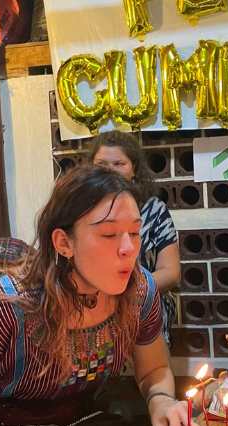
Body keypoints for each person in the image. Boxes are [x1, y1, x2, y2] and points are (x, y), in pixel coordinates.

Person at [0, 165, 201, 426]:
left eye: (134, 232)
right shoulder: (4, 308)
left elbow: (154, 370)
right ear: (64, 243)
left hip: (79, 425)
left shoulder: (138, 291)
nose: (129, 249)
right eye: (109, 234)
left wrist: (161, 401)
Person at [86, 131, 181, 345]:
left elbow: (172, 273)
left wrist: (126, 293)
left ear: (133, 169)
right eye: (101, 164)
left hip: (143, 297)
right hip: (93, 299)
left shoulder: (154, 210)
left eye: (119, 164)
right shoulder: (81, 211)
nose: (110, 171)